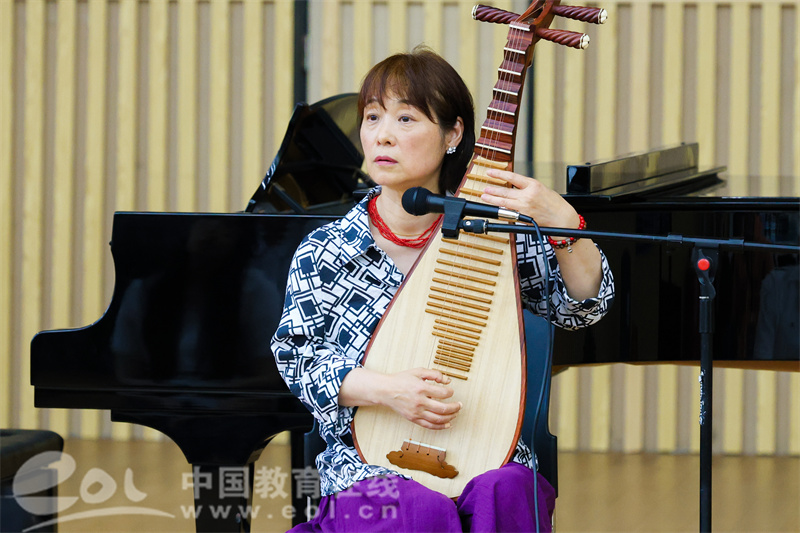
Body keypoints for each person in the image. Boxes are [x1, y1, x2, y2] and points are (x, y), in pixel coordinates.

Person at [271, 47, 615, 532]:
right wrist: (389, 391)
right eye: (372, 117)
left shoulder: (493, 235)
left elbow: (582, 308)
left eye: (406, 118)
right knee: (419, 509)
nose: (382, 134)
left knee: (508, 490)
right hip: (366, 464)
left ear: (453, 134)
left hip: (486, 448)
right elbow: (297, 360)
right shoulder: (327, 250)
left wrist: (563, 222)